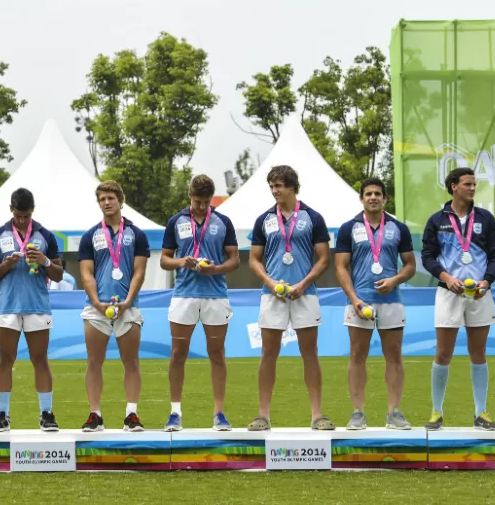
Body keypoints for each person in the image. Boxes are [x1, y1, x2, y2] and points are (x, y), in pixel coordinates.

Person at [247, 165, 334, 432]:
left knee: (310, 353)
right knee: (268, 353)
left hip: (305, 294)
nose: (275, 191)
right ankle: (263, 415)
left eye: (280, 186)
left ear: (293, 187)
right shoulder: (263, 219)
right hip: (272, 295)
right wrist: (271, 283)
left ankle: (317, 415)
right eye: (272, 186)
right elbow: (253, 260)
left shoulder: (312, 217)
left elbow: (324, 258)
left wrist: (303, 283)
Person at [421, 167, 495, 431]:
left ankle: (481, 412)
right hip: (448, 294)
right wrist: (446, 277)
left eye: (474, 184)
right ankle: (436, 411)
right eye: (467, 184)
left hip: (479, 294)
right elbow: (428, 256)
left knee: (478, 352)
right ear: (453, 186)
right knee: (443, 353)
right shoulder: (437, 220)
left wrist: (487, 281)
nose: (472, 188)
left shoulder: (486, 219)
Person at [335, 178, 415, 430]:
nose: (373, 197)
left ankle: (394, 413)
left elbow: (411, 266)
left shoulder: (398, 228)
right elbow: (340, 267)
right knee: (357, 355)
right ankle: (357, 412)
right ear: (361, 198)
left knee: (394, 356)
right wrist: (355, 299)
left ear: (385, 199)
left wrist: (395, 280)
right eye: (368, 193)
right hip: (360, 302)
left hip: (391, 301)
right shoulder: (348, 228)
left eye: (377, 194)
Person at [160, 174, 239, 432]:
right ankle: (175, 413)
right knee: (177, 354)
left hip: (215, 294)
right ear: (189, 197)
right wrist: (182, 262)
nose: (202, 207)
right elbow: (164, 260)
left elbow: (235, 260)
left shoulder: (223, 221)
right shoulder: (176, 221)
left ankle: (219, 414)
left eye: (206, 202)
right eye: (197, 201)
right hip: (184, 294)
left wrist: (214, 270)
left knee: (217, 354)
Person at [0, 188, 64, 432]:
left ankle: (46, 414)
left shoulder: (46, 235)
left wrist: (45, 261)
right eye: (18, 215)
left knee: (40, 360)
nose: (22, 220)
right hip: (8, 306)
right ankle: (2, 415)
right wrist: (5, 265)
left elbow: (59, 273)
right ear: (11, 210)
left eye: (26, 216)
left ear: (33, 211)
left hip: (37, 305)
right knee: (5, 359)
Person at [78, 180, 150, 432]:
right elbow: (86, 273)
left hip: (127, 307)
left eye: (110, 198)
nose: (106, 202)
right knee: (94, 362)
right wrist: (97, 302)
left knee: (131, 362)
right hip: (97, 308)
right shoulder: (90, 236)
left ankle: (131, 415)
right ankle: (95, 415)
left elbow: (139, 272)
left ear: (121, 200)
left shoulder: (137, 234)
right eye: (102, 199)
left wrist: (129, 300)